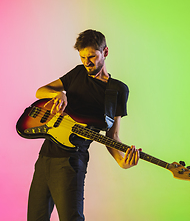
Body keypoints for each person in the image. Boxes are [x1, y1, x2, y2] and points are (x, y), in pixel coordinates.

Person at [27, 29, 140, 221]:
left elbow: (111, 136)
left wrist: (122, 161)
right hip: (45, 156)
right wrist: (58, 93)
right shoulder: (78, 73)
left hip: (71, 162)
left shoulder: (117, 90)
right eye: (82, 57)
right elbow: (40, 91)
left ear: (105, 52)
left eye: (92, 57)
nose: (87, 63)